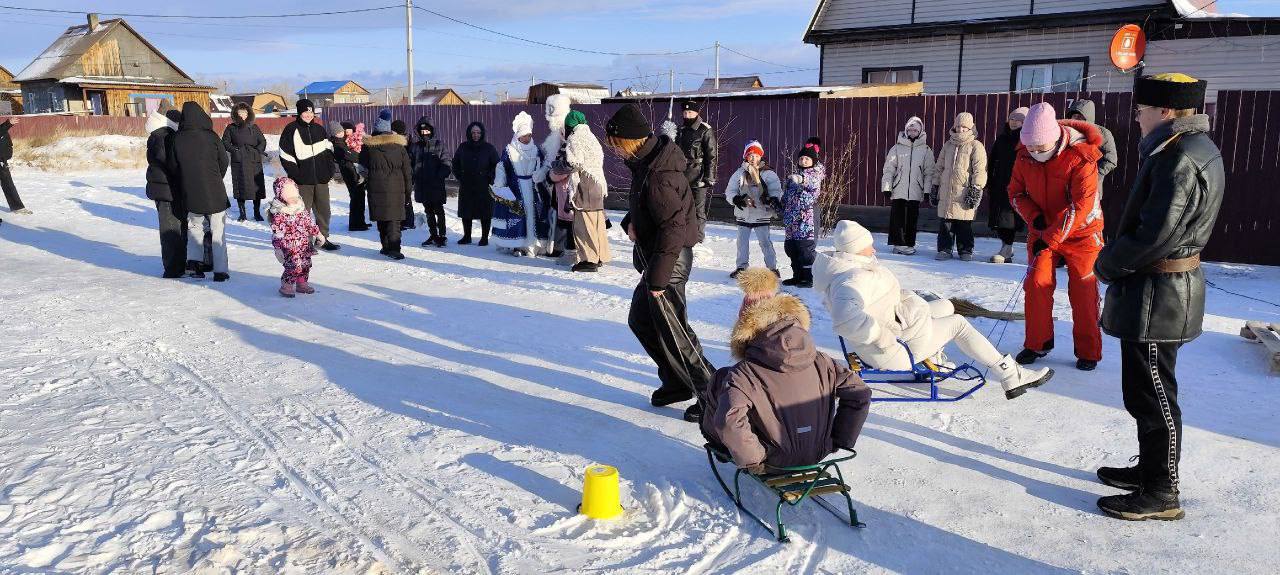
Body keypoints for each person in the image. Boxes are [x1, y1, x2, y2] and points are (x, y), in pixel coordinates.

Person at [1093, 73, 1224, 521]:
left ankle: (1162, 490)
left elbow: (1156, 234)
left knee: (1154, 395)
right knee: (1146, 390)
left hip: (1158, 295)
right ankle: (1149, 472)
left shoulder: (1179, 157)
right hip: (1157, 290)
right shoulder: (1184, 149)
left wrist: (1107, 264)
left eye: (1142, 108)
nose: (1137, 115)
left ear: (1166, 112)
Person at [814, 220, 1054, 399]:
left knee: (945, 306)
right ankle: (1010, 375)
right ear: (855, 249)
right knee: (958, 323)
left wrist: (906, 299)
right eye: (869, 247)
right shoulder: (851, 279)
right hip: (891, 351)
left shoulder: (850, 267)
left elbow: (875, 302)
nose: (874, 250)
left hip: (896, 329)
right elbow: (846, 320)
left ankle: (936, 357)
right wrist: (884, 339)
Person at [702, 268, 873, 473]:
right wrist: (839, 439)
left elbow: (729, 420)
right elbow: (860, 393)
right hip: (818, 452)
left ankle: (724, 448)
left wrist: (753, 460)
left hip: (772, 460)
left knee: (720, 380)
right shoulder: (824, 361)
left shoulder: (743, 374)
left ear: (745, 328)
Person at [607, 103, 715, 423]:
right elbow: (651, 207)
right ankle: (676, 383)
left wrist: (658, 280)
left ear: (629, 140)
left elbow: (673, 227)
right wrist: (632, 220)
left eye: (616, 144)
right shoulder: (647, 163)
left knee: (675, 333)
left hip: (669, 262)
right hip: (659, 259)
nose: (614, 150)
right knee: (641, 320)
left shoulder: (659, 174)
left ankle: (714, 396)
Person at [1009, 102, 1106, 372]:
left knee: (1084, 289)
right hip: (1043, 230)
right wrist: (1035, 218)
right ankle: (1037, 343)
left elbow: (1081, 206)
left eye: (1040, 148)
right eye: (1030, 147)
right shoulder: (1023, 156)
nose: (1034, 153)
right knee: (1037, 284)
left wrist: (1051, 237)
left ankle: (1089, 350)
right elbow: (1015, 193)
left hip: (1082, 232)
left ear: (1053, 140)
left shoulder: (1081, 157)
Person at [168, 101, 231, 281]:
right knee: (218, 230)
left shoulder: (177, 139)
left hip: (191, 191)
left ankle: (194, 265)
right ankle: (220, 271)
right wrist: (216, 177)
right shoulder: (211, 137)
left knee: (194, 227)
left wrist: (186, 180)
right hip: (215, 192)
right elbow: (224, 161)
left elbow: (173, 166)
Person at [279, 98, 338, 250]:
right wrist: (296, 174)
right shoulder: (291, 129)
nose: (308, 114)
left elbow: (329, 151)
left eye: (311, 112)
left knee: (324, 210)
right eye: (305, 112)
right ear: (299, 113)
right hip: (302, 180)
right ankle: (305, 242)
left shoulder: (319, 129)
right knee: (303, 212)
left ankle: (322, 239)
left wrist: (329, 171)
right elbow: (285, 154)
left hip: (321, 179)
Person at [931, 112, 987, 261]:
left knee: (964, 224)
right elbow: (939, 167)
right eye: (958, 126)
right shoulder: (948, 145)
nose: (961, 129)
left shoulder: (976, 145)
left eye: (964, 127)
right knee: (946, 223)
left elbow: (980, 170)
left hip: (964, 192)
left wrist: (976, 189)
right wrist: (935, 185)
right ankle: (944, 249)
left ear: (970, 128)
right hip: (947, 191)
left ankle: (965, 250)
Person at [492, 111, 548, 257]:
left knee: (533, 216)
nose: (526, 138)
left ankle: (531, 244)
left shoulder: (536, 150)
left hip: (533, 188)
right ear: (517, 135)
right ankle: (517, 245)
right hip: (516, 189)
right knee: (518, 217)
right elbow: (502, 167)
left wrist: (540, 176)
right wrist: (499, 185)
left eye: (529, 135)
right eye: (524, 135)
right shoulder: (509, 150)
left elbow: (543, 166)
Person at [560, 110, 610, 272]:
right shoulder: (591, 137)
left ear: (570, 125)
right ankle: (601, 256)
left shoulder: (575, 138)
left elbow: (574, 163)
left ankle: (589, 260)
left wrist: (557, 166)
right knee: (597, 223)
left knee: (584, 224)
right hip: (598, 183)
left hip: (585, 184)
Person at [726, 140, 781, 278]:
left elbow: (776, 189)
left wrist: (773, 198)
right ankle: (741, 267)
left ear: (761, 156)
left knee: (765, 243)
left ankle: (772, 268)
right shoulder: (739, 173)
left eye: (756, 155)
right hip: (744, 213)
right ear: (746, 156)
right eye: (750, 155)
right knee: (742, 243)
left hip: (762, 213)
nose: (753, 158)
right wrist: (736, 199)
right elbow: (730, 191)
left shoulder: (768, 174)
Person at [360, 116, 412, 260]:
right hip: (397, 189)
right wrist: (408, 192)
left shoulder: (369, 148)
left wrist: (368, 181)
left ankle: (385, 246)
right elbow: (407, 172)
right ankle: (395, 249)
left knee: (382, 217)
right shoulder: (400, 148)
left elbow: (362, 168)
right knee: (394, 220)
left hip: (376, 188)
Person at [881, 116, 934, 255]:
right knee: (897, 218)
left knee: (912, 218)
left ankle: (909, 243)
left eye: (915, 130)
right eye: (910, 130)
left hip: (916, 191)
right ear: (906, 130)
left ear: (920, 131)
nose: (912, 132)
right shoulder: (897, 148)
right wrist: (887, 187)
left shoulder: (926, 150)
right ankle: (898, 244)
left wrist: (927, 191)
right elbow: (889, 169)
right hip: (899, 189)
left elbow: (929, 172)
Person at [144, 103, 185, 278]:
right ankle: (173, 268)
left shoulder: (159, 134)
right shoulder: (163, 136)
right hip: (166, 188)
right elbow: (166, 160)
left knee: (173, 227)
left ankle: (176, 264)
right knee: (170, 229)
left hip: (163, 187)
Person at [534, 94, 575, 262]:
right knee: (557, 216)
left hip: (567, 185)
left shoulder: (569, 136)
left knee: (566, 218)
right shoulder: (554, 137)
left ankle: (565, 248)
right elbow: (550, 160)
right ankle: (556, 247)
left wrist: (550, 176)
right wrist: (544, 173)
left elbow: (566, 164)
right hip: (556, 185)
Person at [269, 177, 324, 298]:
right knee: (293, 265)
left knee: (305, 264)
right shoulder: (279, 213)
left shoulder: (300, 208)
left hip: (303, 244)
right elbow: (277, 232)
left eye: (294, 196)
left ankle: (301, 283)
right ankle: (287, 285)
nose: (293, 199)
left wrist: (318, 234)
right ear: (281, 196)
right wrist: (277, 249)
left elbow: (309, 224)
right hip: (289, 246)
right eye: (289, 197)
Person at [986, 107, 1028, 263]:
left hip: (1018, 185)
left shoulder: (1026, 140)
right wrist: (989, 181)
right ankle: (1006, 247)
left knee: (1010, 218)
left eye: (1018, 120)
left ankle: (1007, 249)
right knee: (999, 218)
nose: (1014, 122)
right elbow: (992, 162)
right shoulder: (1002, 139)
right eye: (1012, 119)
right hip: (999, 184)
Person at [781, 138, 825, 288]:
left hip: (807, 219)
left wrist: (801, 179)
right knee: (792, 248)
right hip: (792, 220)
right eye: (801, 158)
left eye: (807, 158)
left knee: (805, 248)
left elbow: (812, 184)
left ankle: (808, 277)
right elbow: (786, 197)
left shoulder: (815, 175)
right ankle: (797, 276)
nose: (804, 161)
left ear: (813, 161)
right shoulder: (793, 178)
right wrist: (777, 204)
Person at [674, 99, 718, 244]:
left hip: (698, 175)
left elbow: (711, 155)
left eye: (690, 112)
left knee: (698, 209)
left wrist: (709, 177)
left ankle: (698, 237)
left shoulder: (705, 129)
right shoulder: (680, 130)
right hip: (681, 175)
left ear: (697, 113)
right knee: (681, 207)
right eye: (685, 112)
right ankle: (683, 235)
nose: (687, 115)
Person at [452, 121, 499, 246]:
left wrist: (490, 177)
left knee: (485, 212)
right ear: (469, 133)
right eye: (473, 132)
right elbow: (455, 163)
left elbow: (497, 165)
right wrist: (460, 176)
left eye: (478, 132)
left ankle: (484, 238)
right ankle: (467, 236)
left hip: (484, 185)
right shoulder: (463, 147)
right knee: (466, 211)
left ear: (482, 133)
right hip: (466, 184)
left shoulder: (489, 148)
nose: (476, 135)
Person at [409, 116, 452, 247]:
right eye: (422, 131)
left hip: (436, 186)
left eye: (427, 131)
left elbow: (447, 163)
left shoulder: (439, 145)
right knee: (428, 211)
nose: (424, 133)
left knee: (439, 210)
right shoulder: (416, 147)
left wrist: (438, 176)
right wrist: (413, 177)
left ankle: (442, 235)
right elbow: (410, 165)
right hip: (422, 186)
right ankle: (433, 234)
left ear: (432, 130)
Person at [221, 102, 268, 222]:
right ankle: (242, 213)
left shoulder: (254, 127)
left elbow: (262, 141)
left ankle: (257, 212)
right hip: (239, 161)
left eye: (245, 112)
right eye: (240, 112)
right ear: (236, 114)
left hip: (254, 160)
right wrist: (235, 150)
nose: (243, 115)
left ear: (249, 114)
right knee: (240, 186)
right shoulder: (231, 128)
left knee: (256, 187)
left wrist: (258, 151)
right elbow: (225, 142)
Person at [1066, 99, 1119, 201]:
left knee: (1089, 215)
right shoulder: (1066, 132)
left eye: (1081, 117)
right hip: (1067, 187)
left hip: (1091, 187)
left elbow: (1111, 160)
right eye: (1075, 116)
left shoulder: (1102, 133)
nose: (1077, 120)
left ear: (1088, 119)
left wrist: (1093, 174)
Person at [335, 121, 369, 232]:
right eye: (345, 130)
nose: (346, 132)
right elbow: (349, 155)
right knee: (355, 197)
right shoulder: (340, 142)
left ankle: (360, 221)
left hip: (356, 171)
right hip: (349, 172)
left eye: (349, 129)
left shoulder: (355, 139)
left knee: (360, 196)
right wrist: (359, 157)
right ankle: (355, 224)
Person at [0, 116, 30, 216]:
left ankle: (17, 207)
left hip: (1, 160)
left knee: (8, 184)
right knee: (8, 183)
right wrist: (8, 123)